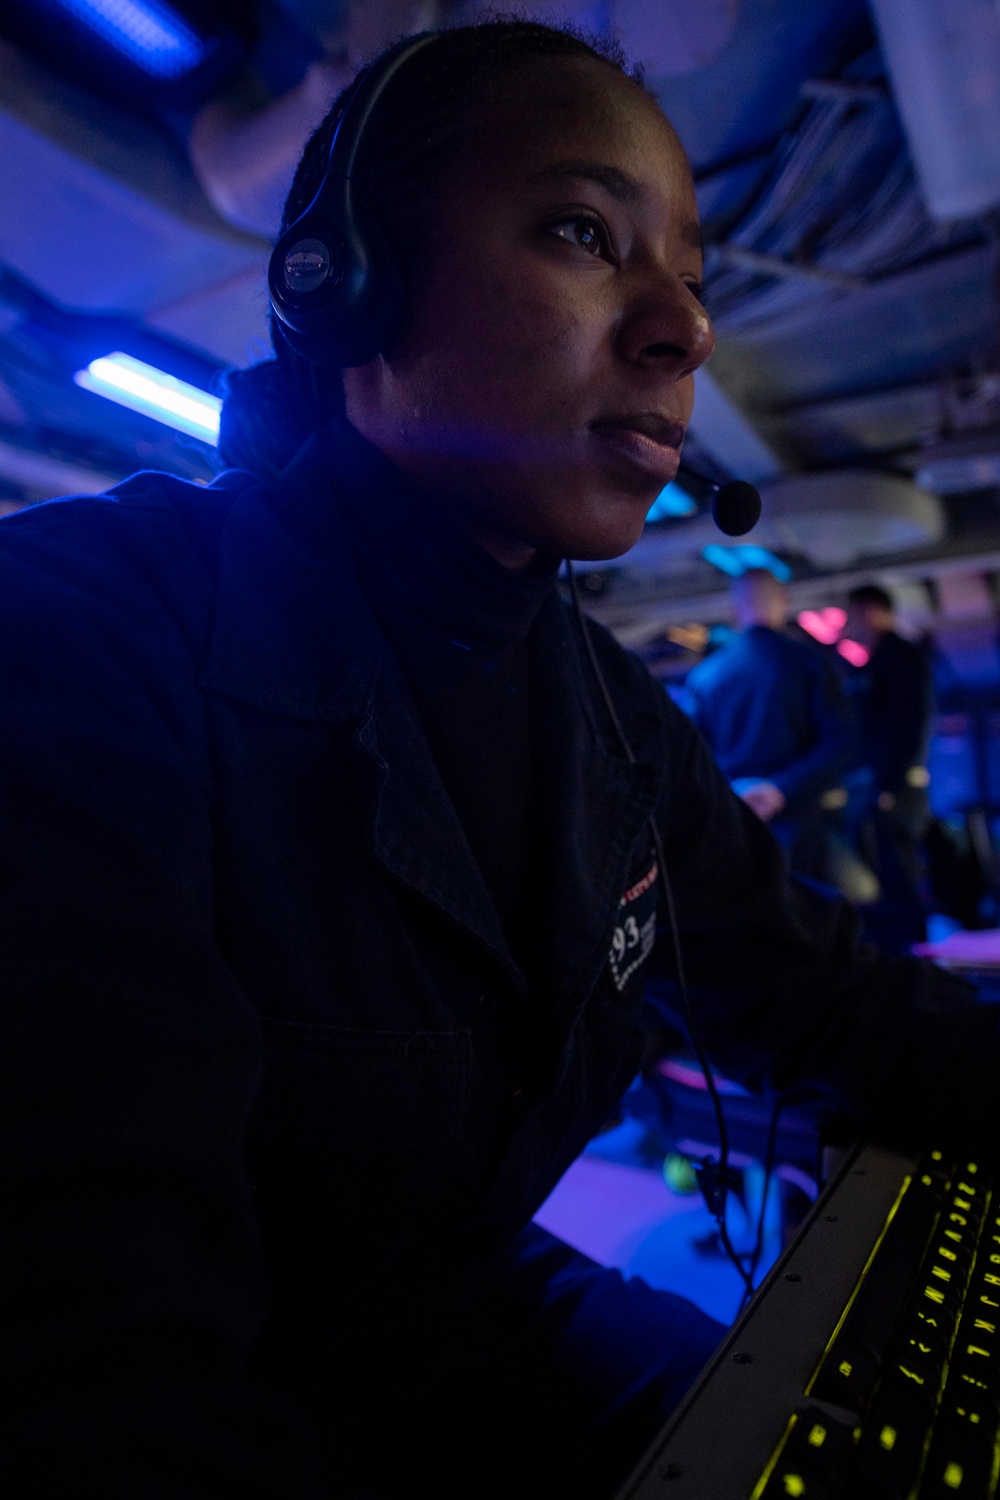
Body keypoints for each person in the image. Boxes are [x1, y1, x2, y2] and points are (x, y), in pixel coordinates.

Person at [0, 21, 995, 1500]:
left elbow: (828, 998)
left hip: (459, 1312)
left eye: (695, 285)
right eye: (586, 232)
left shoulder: (601, 706)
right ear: (347, 287)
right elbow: (110, 1380)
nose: (683, 332)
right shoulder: (81, 633)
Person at [683, 568, 850, 882]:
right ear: (784, 602)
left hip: (733, 821)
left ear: (734, 610)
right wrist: (779, 788)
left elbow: (691, 756)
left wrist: (737, 792)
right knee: (807, 913)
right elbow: (839, 742)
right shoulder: (811, 663)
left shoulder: (703, 677)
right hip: (801, 819)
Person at [844, 582, 934, 946]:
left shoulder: (899, 658)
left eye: (852, 615)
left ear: (872, 611)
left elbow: (906, 725)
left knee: (899, 875)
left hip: (894, 787)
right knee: (890, 875)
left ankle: (915, 966)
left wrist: (887, 784)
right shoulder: (885, 659)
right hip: (890, 784)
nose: (849, 624)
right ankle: (905, 959)